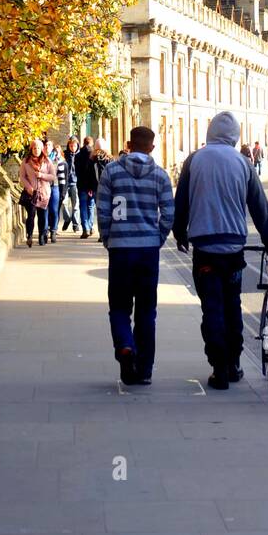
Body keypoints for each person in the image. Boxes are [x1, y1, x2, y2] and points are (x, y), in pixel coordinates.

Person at [173, 110, 268, 391]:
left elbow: (181, 200)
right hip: (233, 248)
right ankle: (233, 364)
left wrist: (179, 233)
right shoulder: (243, 162)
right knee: (232, 306)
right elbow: (259, 207)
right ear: (235, 135)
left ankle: (218, 366)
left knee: (212, 308)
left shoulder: (194, 160)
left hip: (205, 247)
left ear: (210, 132)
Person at [97, 125, 174, 385]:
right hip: (148, 250)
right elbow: (169, 213)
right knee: (146, 311)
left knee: (118, 307)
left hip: (120, 248)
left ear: (129, 144)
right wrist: (159, 237)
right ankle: (144, 370)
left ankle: (125, 345)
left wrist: (108, 237)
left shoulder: (112, 171)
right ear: (152, 147)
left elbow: (103, 209)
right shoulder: (160, 176)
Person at [18, 139, 56, 247]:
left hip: (44, 193)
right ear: (31, 149)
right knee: (31, 215)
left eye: (38, 148)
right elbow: (22, 177)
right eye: (34, 148)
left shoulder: (47, 161)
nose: (36, 150)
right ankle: (29, 235)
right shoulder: (26, 161)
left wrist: (42, 175)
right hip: (31, 193)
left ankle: (41, 236)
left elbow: (53, 176)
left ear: (42, 149)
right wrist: (28, 187)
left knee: (42, 216)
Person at [75, 135, 97, 238]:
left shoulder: (78, 156)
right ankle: (91, 226)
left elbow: (77, 172)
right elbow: (93, 173)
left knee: (83, 206)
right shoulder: (93, 155)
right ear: (91, 143)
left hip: (82, 185)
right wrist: (92, 186)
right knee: (91, 206)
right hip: (92, 185)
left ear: (83, 143)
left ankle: (85, 228)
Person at [46, 137, 65, 242]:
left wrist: (62, 191)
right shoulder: (40, 159)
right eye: (45, 145)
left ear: (52, 147)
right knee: (44, 210)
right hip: (43, 187)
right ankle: (44, 231)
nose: (47, 147)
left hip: (55, 186)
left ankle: (53, 230)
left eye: (49, 145)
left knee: (53, 209)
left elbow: (62, 176)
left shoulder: (58, 160)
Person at [62, 136, 82, 231]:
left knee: (75, 205)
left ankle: (75, 224)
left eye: (74, 146)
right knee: (63, 202)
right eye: (71, 145)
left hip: (75, 182)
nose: (72, 147)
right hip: (65, 183)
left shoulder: (80, 155)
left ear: (77, 145)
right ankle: (67, 219)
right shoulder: (65, 155)